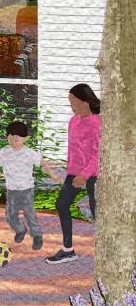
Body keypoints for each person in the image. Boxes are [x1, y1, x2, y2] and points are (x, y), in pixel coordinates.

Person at [47, 84, 101, 264]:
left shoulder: (97, 122)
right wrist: (71, 171)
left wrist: (85, 175)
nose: (71, 105)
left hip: (93, 173)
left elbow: (98, 153)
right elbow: (73, 150)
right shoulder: (73, 121)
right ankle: (68, 250)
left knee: (96, 211)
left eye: (73, 101)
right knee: (62, 204)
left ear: (85, 102)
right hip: (74, 171)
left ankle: (107, 252)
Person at [0, 121, 45, 250]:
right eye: (11, 138)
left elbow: (42, 162)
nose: (14, 142)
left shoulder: (29, 153)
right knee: (10, 215)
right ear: (7, 137)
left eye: (18, 139)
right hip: (12, 190)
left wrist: (52, 174)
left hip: (27, 189)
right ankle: (20, 229)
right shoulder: (4, 152)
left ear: (25, 139)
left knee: (29, 213)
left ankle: (37, 236)